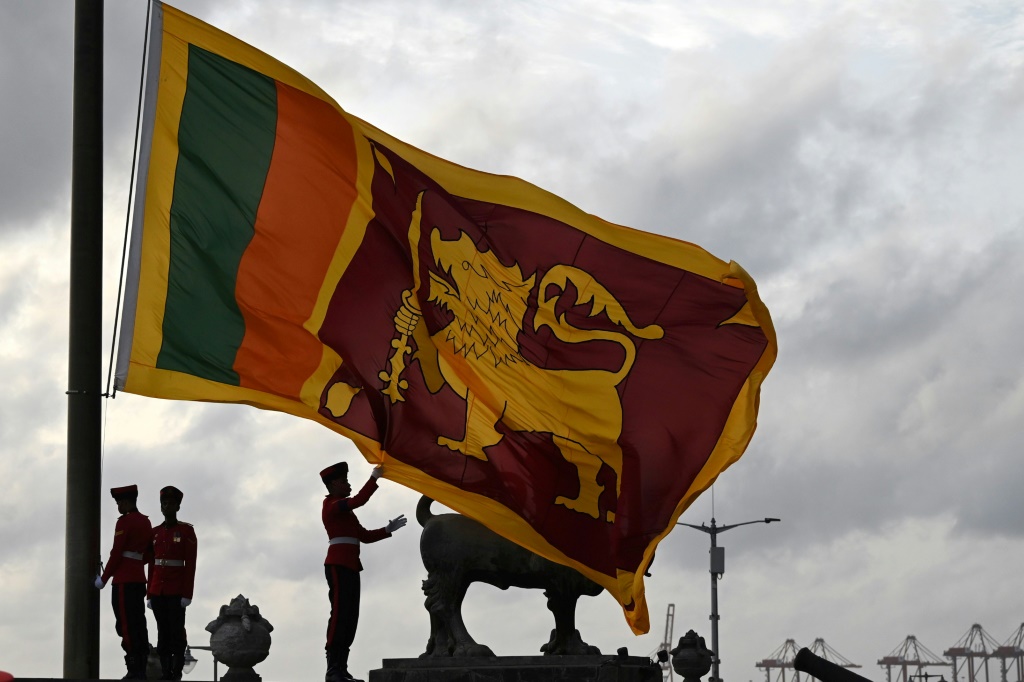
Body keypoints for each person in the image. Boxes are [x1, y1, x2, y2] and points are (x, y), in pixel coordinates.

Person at [321, 462, 406, 682]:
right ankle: (333, 670)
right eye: (344, 481)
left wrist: (387, 530)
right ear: (333, 484)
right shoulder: (332, 505)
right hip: (338, 564)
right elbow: (359, 500)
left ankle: (342, 668)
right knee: (339, 616)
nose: (348, 484)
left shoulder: (345, 512)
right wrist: (374, 478)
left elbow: (364, 536)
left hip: (350, 565)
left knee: (350, 618)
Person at [96, 484, 153, 680]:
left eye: (119, 503)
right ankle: (141, 667)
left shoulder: (124, 522)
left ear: (126, 502)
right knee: (139, 623)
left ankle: (134, 669)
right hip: (138, 579)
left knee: (126, 626)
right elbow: (148, 553)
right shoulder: (145, 522)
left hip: (123, 581)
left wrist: (103, 579)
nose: (118, 506)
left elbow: (116, 553)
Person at [147, 486, 198, 681]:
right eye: (164, 503)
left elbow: (190, 565)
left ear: (178, 506)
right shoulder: (155, 532)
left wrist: (187, 594)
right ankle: (165, 671)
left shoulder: (186, 531)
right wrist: (149, 593)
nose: (167, 506)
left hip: (176, 591)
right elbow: (152, 564)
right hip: (158, 590)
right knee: (162, 631)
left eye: (171, 503)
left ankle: (176, 672)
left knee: (176, 631)